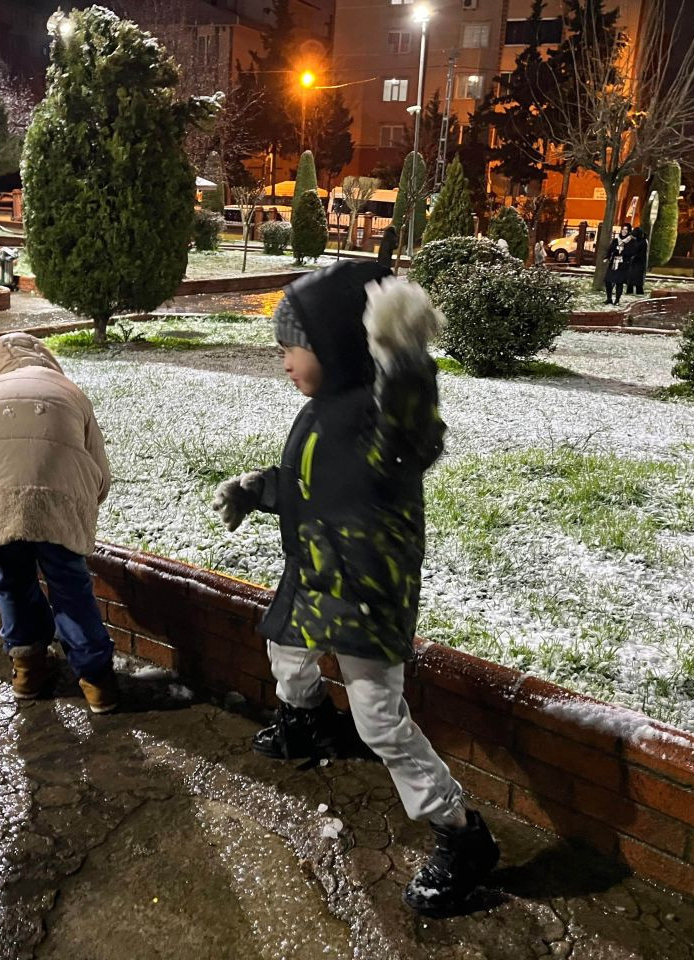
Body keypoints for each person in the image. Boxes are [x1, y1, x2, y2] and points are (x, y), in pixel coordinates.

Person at [211, 261, 500, 917]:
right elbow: (307, 480)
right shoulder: (319, 414)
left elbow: (414, 432)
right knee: (286, 652)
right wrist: (258, 489)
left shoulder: (380, 417)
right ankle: (308, 724)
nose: (283, 360)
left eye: (293, 346)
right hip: (316, 579)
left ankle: (459, 835)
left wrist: (405, 355)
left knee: (380, 721)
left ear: (337, 347)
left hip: (366, 593)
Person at [0, 333, 117, 713]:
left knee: (13, 578)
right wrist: (85, 504)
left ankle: (27, 668)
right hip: (58, 493)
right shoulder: (69, 390)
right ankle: (97, 682)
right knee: (68, 581)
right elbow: (99, 469)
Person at [604, 223, 632, 305]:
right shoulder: (616, 240)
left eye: (626, 229)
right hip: (613, 264)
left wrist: (622, 251)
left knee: (619, 283)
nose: (624, 231)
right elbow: (610, 250)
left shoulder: (631, 241)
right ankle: (609, 298)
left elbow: (631, 253)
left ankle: (617, 300)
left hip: (623, 265)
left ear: (629, 231)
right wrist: (607, 257)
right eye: (623, 229)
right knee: (607, 281)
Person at [626, 226, 648, 295]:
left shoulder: (643, 242)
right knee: (631, 278)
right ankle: (630, 291)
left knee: (637, 279)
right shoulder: (637, 241)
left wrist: (633, 256)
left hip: (639, 262)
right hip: (634, 262)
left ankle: (638, 292)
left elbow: (639, 251)